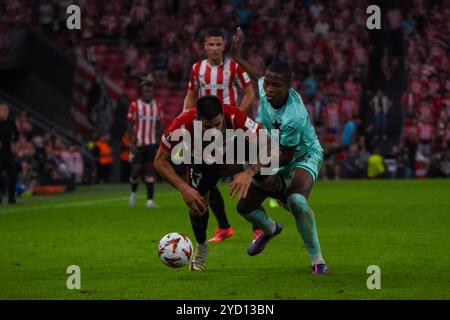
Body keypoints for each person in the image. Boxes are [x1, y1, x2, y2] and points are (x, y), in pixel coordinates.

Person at [229, 27, 329, 274]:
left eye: (276, 85)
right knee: (244, 208)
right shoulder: (265, 87)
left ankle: (317, 261)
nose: (269, 89)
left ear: (288, 87)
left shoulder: (294, 116)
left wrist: (250, 172)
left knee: (296, 201)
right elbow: (258, 76)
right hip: (273, 150)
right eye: (269, 84)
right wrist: (236, 56)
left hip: (303, 154)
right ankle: (271, 229)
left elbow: (284, 156)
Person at [154, 96, 262, 271]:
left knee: (267, 173)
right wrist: (183, 188)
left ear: (222, 114)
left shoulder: (234, 116)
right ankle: (202, 247)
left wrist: (248, 172)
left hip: (233, 155)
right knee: (197, 207)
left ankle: (270, 219)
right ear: (197, 119)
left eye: (218, 125)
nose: (214, 132)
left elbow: (270, 146)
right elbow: (159, 161)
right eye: (207, 127)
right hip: (201, 162)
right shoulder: (182, 124)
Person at [182, 29, 256, 242]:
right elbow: (191, 95)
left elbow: (250, 93)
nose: (215, 49)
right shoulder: (196, 69)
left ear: (224, 46)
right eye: (211, 45)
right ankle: (224, 227)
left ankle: (256, 228)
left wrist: (235, 118)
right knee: (207, 180)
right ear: (204, 46)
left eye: (218, 45)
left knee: (246, 173)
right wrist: (186, 119)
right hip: (205, 132)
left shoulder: (234, 67)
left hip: (230, 130)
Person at [127, 74, 162, 209]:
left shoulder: (157, 106)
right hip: (138, 144)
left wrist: (157, 140)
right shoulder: (135, 105)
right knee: (135, 171)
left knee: (149, 171)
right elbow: (129, 124)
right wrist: (131, 142)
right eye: (146, 91)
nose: (148, 93)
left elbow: (159, 124)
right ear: (141, 92)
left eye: (150, 91)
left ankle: (149, 201)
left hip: (151, 143)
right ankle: (133, 193)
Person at [0, 102, 18, 205]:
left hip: (8, 152)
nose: (3, 112)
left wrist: (14, 143)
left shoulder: (11, 122)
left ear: (8, 112)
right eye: (1, 110)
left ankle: (11, 198)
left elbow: (16, 135)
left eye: (4, 110)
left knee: (14, 175)